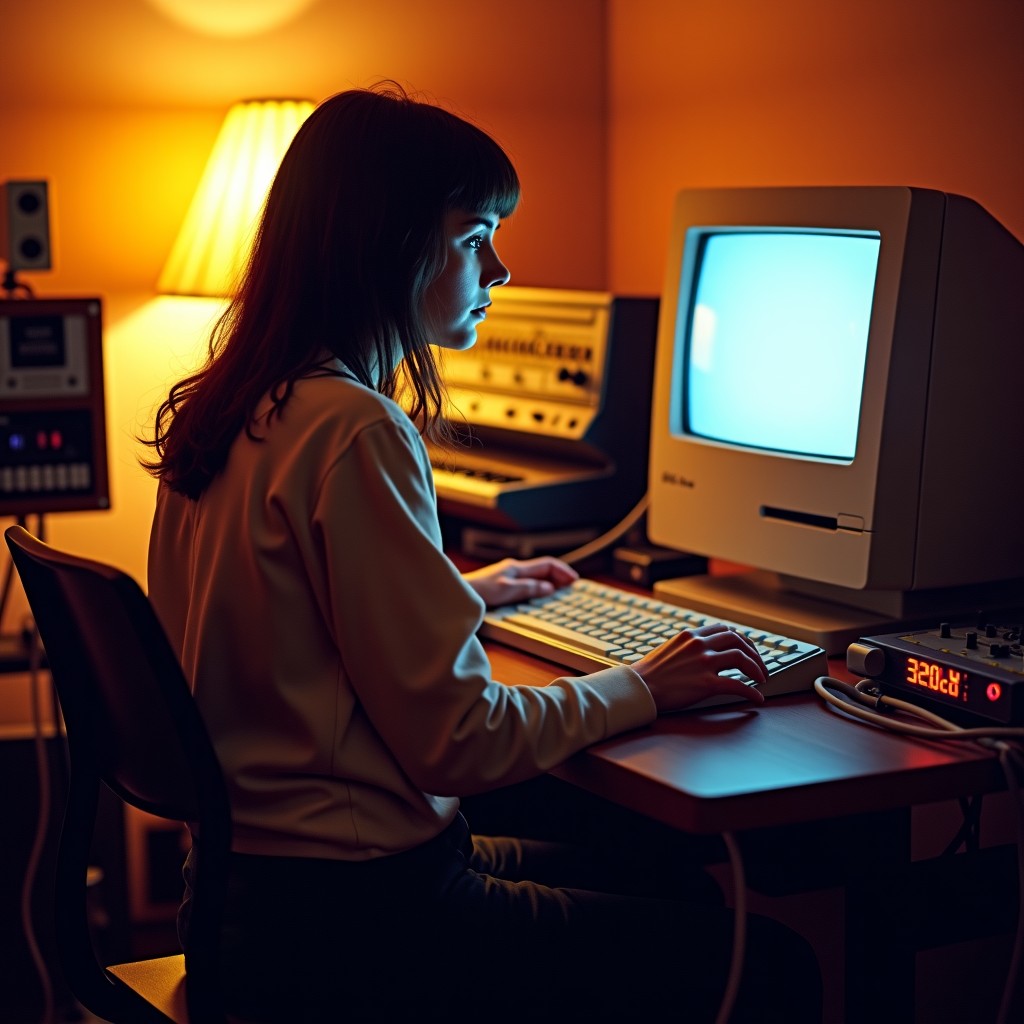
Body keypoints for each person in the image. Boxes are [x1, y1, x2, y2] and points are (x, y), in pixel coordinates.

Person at [143, 83, 821, 1022]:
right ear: (388, 246)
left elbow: (283, 617)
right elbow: (459, 741)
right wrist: (647, 685)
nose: (498, 267)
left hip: (247, 904)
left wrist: (468, 592)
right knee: (771, 962)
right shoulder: (354, 429)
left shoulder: (237, 406)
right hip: (360, 923)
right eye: (474, 237)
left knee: (673, 885)